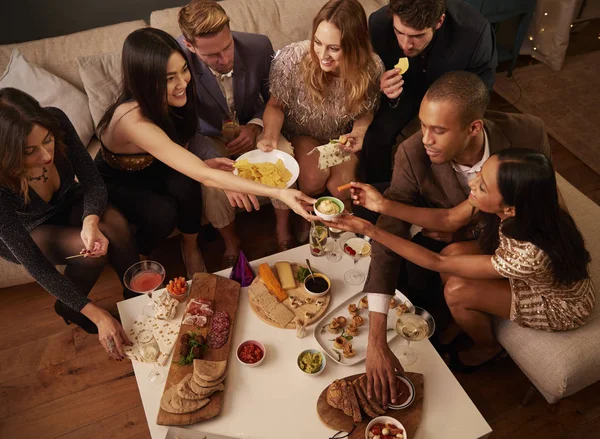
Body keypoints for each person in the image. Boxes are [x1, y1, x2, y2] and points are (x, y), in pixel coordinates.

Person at [351, 71, 551, 408]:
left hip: (516, 242)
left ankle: (481, 344)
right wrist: (375, 340)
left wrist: (464, 230)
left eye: (438, 130)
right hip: (455, 236)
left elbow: (542, 207)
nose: (424, 139)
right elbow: (407, 225)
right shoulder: (412, 153)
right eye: (422, 124)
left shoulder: (527, 133)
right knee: (423, 274)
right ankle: (456, 322)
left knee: (442, 277)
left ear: (474, 127)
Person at [328, 148, 595, 375]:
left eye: (482, 185)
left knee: (456, 289)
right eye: (480, 173)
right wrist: (381, 205)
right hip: (529, 267)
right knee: (453, 252)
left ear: (510, 209)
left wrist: (371, 231)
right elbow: (448, 219)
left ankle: (488, 348)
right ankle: (465, 316)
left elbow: (436, 263)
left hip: (558, 304)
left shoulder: (529, 254)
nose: (472, 183)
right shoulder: (528, 202)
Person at [95, 28, 316, 276]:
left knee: (189, 187)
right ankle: (142, 254)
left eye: (184, 70)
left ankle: (189, 247)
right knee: (162, 214)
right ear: (145, 80)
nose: (182, 84)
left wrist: (211, 167)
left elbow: (186, 141)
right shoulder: (131, 120)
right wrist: (280, 193)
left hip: (160, 163)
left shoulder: (173, 98)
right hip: (124, 178)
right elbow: (202, 173)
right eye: (169, 78)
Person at [0, 88, 138, 360]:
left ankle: (137, 296)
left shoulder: (57, 120)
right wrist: (97, 315)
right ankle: (70, 307)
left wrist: (90, 220)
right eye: (30, 151)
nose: (46, 156)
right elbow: (34, 264)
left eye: (47, 141)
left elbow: (92, 182)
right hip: (30, 229)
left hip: (66, 201)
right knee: (88, 256)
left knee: (115, 224)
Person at [177, 0, 295, 257]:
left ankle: (282, 230)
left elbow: (273, 99)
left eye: (227, 47)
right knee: (212, 184)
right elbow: (181, 122)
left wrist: (254, 127)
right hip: (206, 136)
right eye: (212, 55)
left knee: (284, 155)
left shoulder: (259, 46)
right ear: (190, 46)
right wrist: (212, 161)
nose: (225, 59)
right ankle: (231, 242)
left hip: (252, 126)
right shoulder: (174, 61)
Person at [257, 0, 384, 221]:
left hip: (338, 139)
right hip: (300, 133)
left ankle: (346, 235)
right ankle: (305, 221)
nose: (322, 54)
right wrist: (269, 136)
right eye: (318, 42)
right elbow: (275, 105)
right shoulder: (292, 58)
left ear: (354, 46)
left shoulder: (372, 68)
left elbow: (366, 111)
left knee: (341, 188)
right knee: (313, 179)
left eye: (334, 48)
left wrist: (359, 133)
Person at [361, 0, 498, 183]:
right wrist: (382, 84)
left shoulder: (475, 33)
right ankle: (378, 194)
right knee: (375, 137)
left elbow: (481, 91)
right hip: (406, 90)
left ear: (439, 22)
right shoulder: (378, 23)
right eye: (399, 32)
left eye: (417, 36)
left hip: (452, 100)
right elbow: (369, 72)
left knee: (435, 148)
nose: (405, 44)